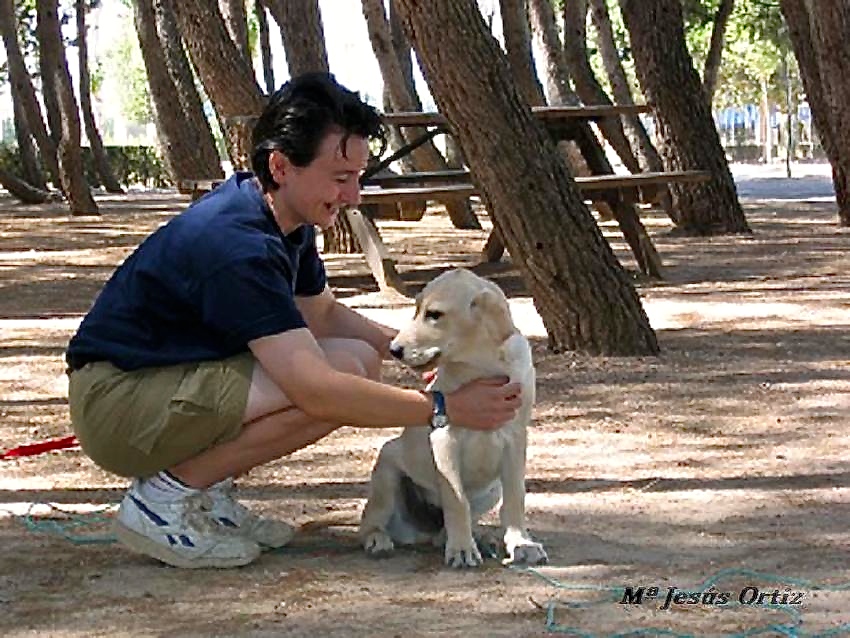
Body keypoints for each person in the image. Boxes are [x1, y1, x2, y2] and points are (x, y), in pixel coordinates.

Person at [65, 72, 522, 569]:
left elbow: (321, 313)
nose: (355, 196)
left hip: (155, 386)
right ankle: (163, 502)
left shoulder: (282, 219)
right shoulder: (237, 245)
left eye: (359, 177)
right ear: (281, 166)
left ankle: (201, 492)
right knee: (341, 376)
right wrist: (444, 408)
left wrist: (407, 347)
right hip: (118, 404)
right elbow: (316, 390)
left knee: (359, 359)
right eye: (341, 178)